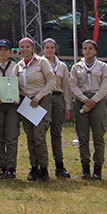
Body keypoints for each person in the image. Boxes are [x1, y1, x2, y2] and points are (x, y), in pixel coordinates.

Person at [14, 37, 55, 182]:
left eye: (27, 46)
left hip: (40, 101)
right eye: (22, 46)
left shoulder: (42, 62)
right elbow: (14, 84)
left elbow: (51, 81)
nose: (24, 49)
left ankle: (44, 169)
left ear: (33, 48)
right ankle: (34, 168)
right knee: (30, 137)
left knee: (39, 137)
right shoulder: (18, 65)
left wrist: (38, 96)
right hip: (26, 103)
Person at [69, 39, 107, 180]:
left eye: (90, 48)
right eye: (85, 48)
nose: (87, 51)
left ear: (95, 51)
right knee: (82, 136)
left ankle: (98, 168)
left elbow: (105, 85)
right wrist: (84, 99)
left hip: (97, 101)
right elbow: (73, 85)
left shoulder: (103, 66)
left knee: (98, 135)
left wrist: (94, 100)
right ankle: (85, 167)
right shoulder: (76, 67)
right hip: (81, 101)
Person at [41, 38, 73, 178]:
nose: (49, 50)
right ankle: (42, 165)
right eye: (47, 47)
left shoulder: (62, 66)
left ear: (55, 49)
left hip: (58, 98)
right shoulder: (38, 63)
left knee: (56, 134)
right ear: (43, 49)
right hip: (43, 99)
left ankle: (59, 166)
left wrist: (68, 107)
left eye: (52, 47)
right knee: (41, 132)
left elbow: (66, 87)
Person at [0, 39, 20, 179]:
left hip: (12, 105)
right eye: (0, 49)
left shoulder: (16, 67)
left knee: (11, 137)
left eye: (6, 49)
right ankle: (2, 167)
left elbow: (21, 85)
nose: (3, 52)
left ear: (10, 52)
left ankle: (11, 167)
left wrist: (18, 97)